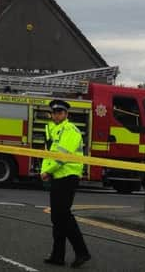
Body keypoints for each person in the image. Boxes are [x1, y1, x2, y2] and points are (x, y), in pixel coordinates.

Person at [41, 99, 91, 268]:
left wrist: (48, 171)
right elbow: (47, 154)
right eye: (54, 112)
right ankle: (58, 255)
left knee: (63, 215)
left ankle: (82, 252)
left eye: (60, 112)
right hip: (57, 176)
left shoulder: (70, 130)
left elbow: (62, 157)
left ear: (66, 114)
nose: (57, 115)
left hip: (68, 175)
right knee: (57, 217)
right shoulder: (51, 129)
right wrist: (45, 170)